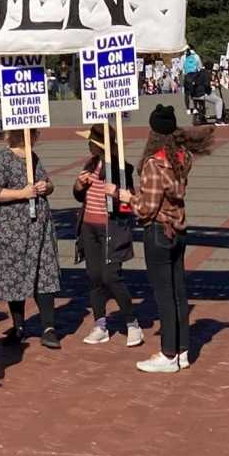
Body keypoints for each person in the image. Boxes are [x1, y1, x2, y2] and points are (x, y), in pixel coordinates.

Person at [133, 104, 214, 374]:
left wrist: (127, 199)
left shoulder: (154, 164)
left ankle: (168, 353)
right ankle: (182, 350)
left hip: (159, 231)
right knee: (179, 291)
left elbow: (147, 207)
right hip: (179, 230)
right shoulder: (182, 157)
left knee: (164, 295)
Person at [0, 128, 61, 348]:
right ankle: (18, 325)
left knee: (44, 271)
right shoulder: (4, 157)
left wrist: (45, 187)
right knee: (14, 273)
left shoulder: (32, 157)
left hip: (38, 225)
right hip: (11, 228)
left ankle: (49, 327)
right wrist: (22, 193)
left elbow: (49, 183)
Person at [73, 125, 142, 347]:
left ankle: (132, 323)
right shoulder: (90, 164)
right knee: (94, 276)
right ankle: (100, 324)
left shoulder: (122, 168)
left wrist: (117, 193)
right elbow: (78, 195)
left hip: (111, 227)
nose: (89, 145)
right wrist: (79, 185)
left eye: (92, 142)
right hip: (89, 226)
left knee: (111, 276)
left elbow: (130, 200)